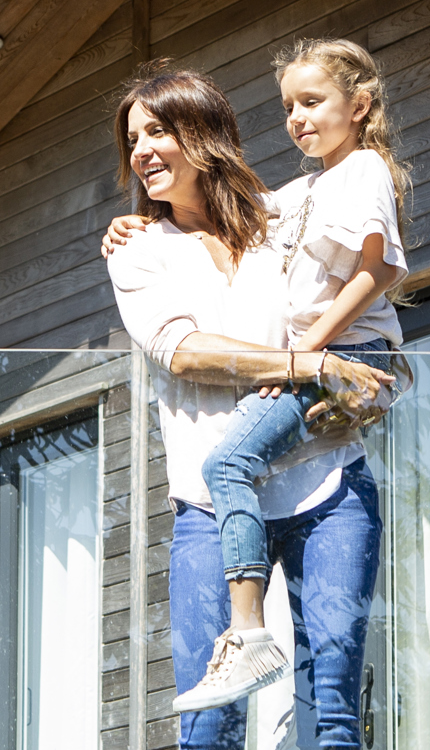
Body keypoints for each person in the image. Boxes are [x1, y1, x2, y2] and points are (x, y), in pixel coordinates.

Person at [104, 63, 395, 750]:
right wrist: (309, 365)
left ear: (204, 135)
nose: (141, 150)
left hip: (328, 484)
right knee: (208, 735)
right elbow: (183, 353)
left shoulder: (288, 216)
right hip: (210, 504)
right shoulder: (139, 249)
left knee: (334, 720)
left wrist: (360, 368)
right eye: (132, 139)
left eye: (158, 131)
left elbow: (367, 238)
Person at [173, 38, 411, 712]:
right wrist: (137, 221)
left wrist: (309, 348)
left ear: (359, 106)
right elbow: (227, 212)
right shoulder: (304, 188)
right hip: (319, 359)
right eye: (287, 107)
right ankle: (251, 630)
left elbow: (380, 270)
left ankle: (247, 633)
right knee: (237, 465)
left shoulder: (364, 168)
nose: (297, 118)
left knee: (225, 466)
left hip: (345, 354)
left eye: (313, 101)